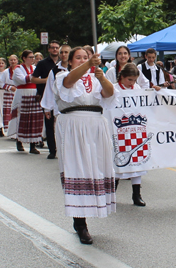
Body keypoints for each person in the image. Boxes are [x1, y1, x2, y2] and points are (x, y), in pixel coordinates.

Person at [53, 47, 116, 245]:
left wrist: (102, 77)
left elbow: (109, 93)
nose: (82, 60)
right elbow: (68, 83)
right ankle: (80, 223)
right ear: (70, 61)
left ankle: (90, 212)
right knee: (77, 170)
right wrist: (88, 65)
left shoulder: (96, 76)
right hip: (74, 126)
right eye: (78, 58)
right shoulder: (62, 76)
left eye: (86, 57)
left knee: (94, 170)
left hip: (96, 125)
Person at [114, 63, 147, 206]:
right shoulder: (114, 89)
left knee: (137, 161)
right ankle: (111, 194)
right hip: (119, 130)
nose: (132, 83)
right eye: (129, 80)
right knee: (117, 160)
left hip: (135, 130)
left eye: (134, 80)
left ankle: (136, 194)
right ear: (122, 77)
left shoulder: (137, 89)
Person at [7, 50, 44, 154]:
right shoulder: (18, 69)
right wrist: (35, 78)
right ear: (24, 58)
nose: (32, 59)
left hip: (33, 94)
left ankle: (33, 145)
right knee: (22, 117)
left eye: (33, 57)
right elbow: (22, 80)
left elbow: (37, 80)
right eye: (30, 57)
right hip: (22, 94)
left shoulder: (35, 68)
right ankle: (19, 140)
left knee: (34, 118)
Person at [40, 43, 71, 159]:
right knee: (58, 131)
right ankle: (56, 151)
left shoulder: (75, 69)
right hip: (59, 106)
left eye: (66, 52)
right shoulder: (54, 70)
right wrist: (47, 107)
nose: (63, 55)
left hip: (72, 106)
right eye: (61, 52)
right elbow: (49, 89)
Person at [32, 40, 61, 158]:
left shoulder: (62, 63)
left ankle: (61, 147)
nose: (55, 49)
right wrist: (49, 80)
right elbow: (33, 79)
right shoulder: (42, 63)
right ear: (49, 49)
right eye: (52, 48)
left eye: (56, 47)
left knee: (60, 124)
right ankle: (52, 150)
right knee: (49, 124)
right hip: (47, 95)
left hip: (60, 97)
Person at [1, 54, 18, 134]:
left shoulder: (20, 70)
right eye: (11, 60)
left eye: (14, 60)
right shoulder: (5, 72)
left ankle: (16, 129)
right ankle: (8, 130)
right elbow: (1, 83)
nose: (13, 61)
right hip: (9, 93)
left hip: (18, 92)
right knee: (8, 111)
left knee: (17, 111)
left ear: (17, 61)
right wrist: (10, 87)